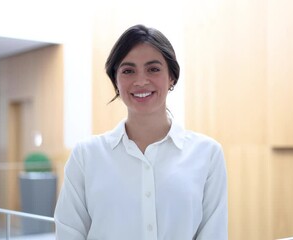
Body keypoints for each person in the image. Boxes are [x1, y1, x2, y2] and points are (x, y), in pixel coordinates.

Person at [54, 24, 228, 240]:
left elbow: (213, 234)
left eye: (153, 69)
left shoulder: (207, 154)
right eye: (128, 71)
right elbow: (70, 232)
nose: (141, 81)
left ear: (172, 77)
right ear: (116, 81)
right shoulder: (85, 156)